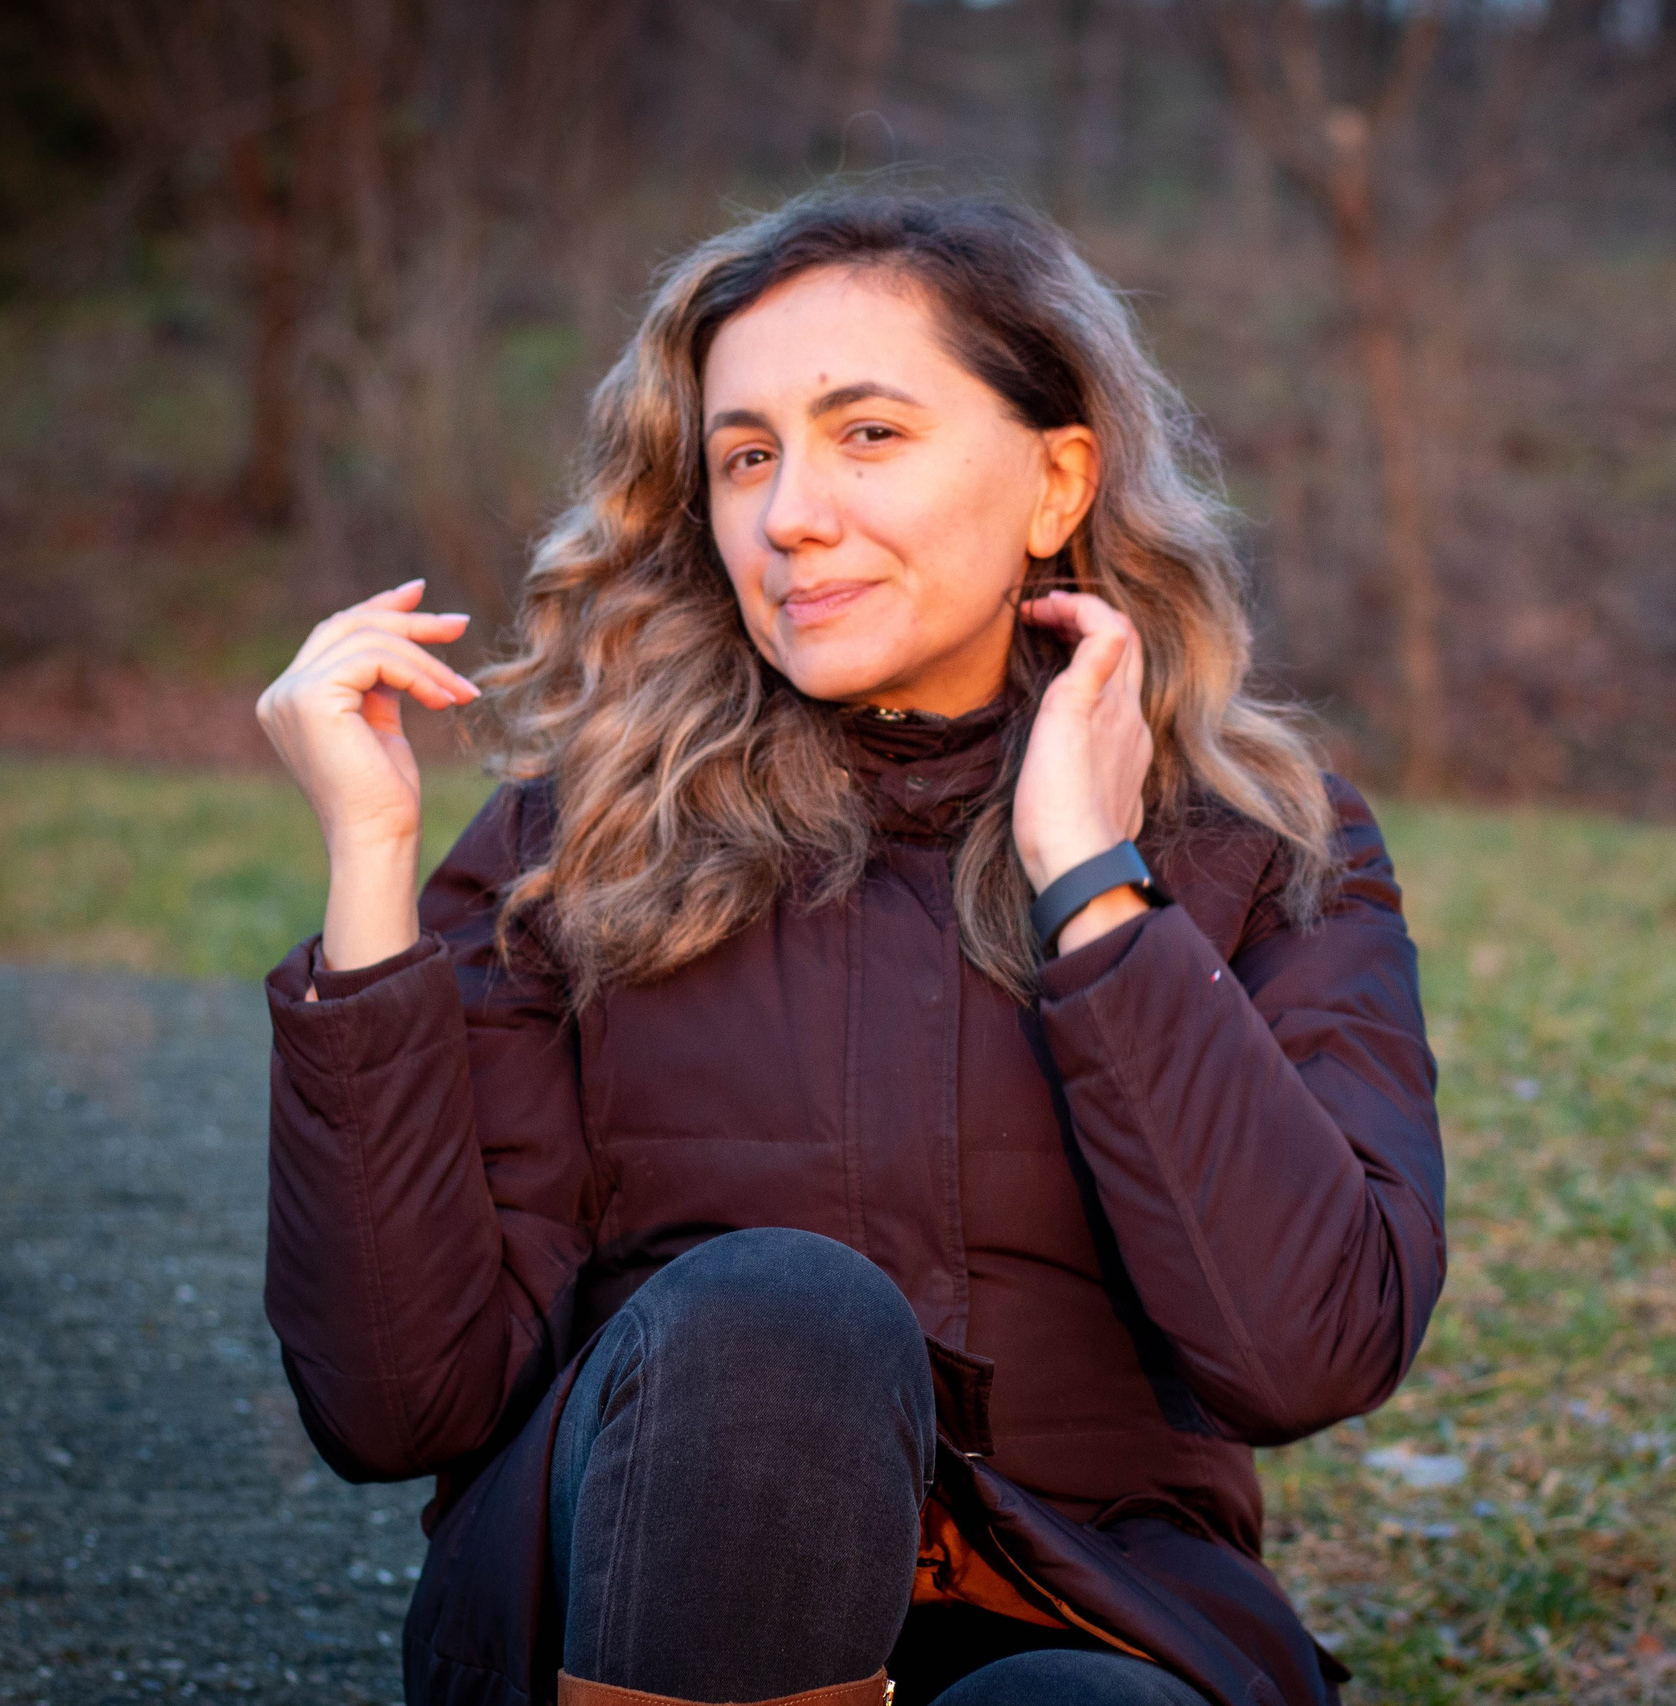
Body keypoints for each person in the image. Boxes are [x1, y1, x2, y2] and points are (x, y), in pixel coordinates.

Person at [255, 192, 1443, 1706]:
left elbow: (1312, 1352)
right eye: (746, 455)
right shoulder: (579, 848)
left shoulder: (1258, 844)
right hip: (647, 1605)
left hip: (1091, 1609)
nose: (787, 513)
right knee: (784, 1317)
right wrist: (370, 874)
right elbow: (396, 1399)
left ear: (1055, 480)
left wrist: (1095, 886)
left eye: (866, 433)